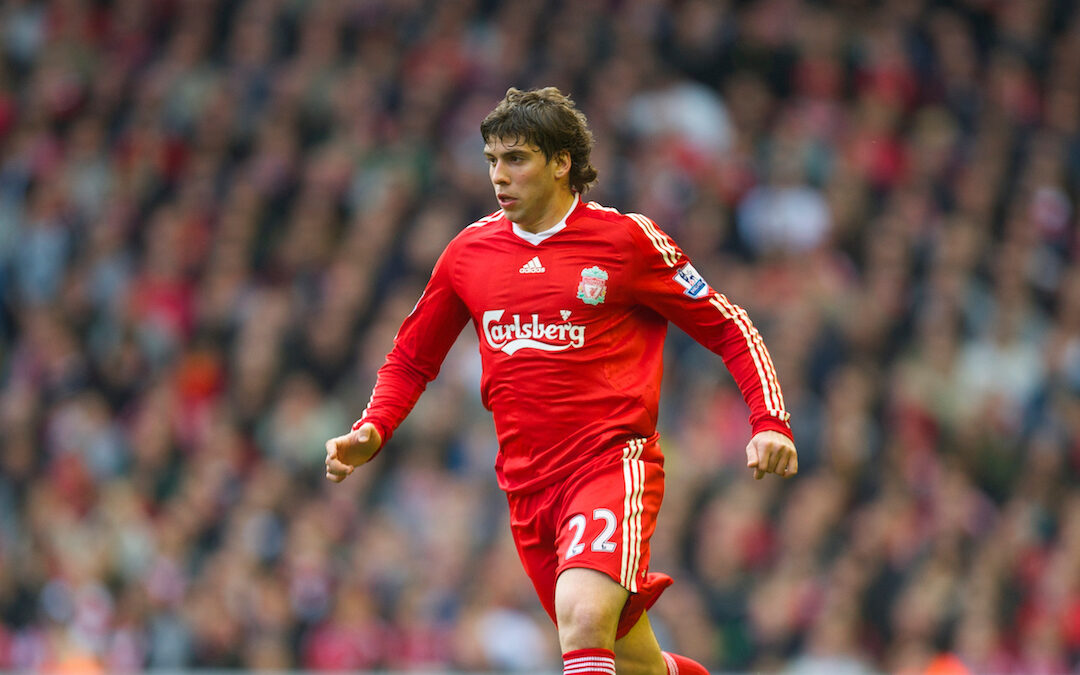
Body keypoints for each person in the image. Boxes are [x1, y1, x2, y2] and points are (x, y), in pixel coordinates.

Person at [324, 87, 798, 674]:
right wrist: (373, 427)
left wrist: (769, 420)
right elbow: (411, 359)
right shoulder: (468, 253)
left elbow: (729, 326)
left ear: (561, 162)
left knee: (580, 618)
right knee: (635, 664)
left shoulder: (625, 241)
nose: (499, 175)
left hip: (609, 465)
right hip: (527, 491)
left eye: (516, 159)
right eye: (492, 160)